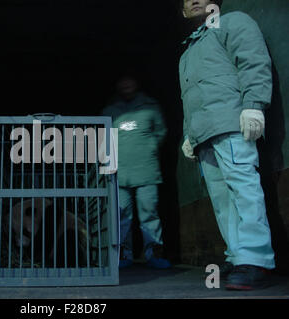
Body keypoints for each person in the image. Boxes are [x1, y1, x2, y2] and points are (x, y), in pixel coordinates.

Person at [179, 0, 275, 290]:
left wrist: (254, 104)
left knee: (243, 189)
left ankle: (256, 260)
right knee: (223, 203)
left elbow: (252, 59)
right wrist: (188, 134)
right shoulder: (187, 52)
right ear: (183, 12)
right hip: (203, 135)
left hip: (232, 123)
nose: (193, 0)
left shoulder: (232, 22)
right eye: (186, 0)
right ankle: (238, 255)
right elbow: (189, 99)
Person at [102, 75, 171, 269]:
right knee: (122, 215)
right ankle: (124, 255)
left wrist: (149, 149)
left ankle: (154, 254)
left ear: (136, 82)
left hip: (147, 169)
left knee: (149, 213)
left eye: (129, 80)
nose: (126, 84)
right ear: (117, 85)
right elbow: (103, 140)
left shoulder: (150, 106)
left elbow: (161, 132)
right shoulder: (110, 110)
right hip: (119, 172)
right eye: (122, 81)